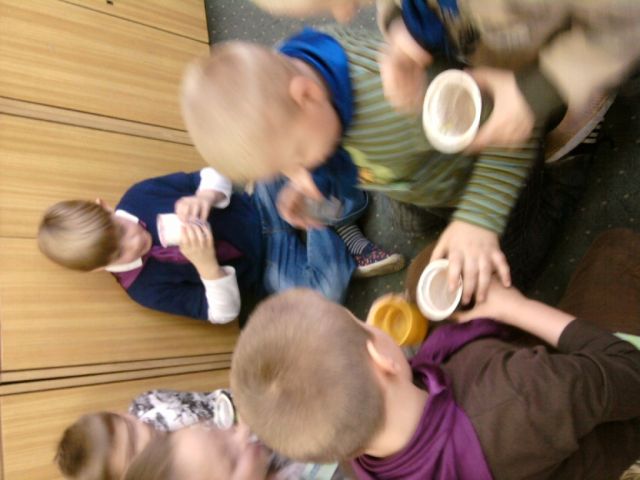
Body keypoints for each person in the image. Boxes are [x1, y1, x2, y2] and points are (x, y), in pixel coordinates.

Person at [180, 25, 568, 305]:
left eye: (296, 160)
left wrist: (478, 219)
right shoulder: (292, 84)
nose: (297, 174)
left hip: (483, 171)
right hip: (417, 180)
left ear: (307, 95)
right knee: (419, 225)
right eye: (283, 171)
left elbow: (514, 119)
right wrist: (310, 181)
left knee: (513, 251)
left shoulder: (397, 100)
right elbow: (330, 149)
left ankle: (566, 175)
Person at [230, 229, 640, 479]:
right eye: (360, 322)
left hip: (505, 410)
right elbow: (628, 370)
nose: (368, 318)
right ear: (383, 360)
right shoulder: (525, 394)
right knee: (615, 251)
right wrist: (516, 308)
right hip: (605, 410)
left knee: (429, 270)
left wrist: (388, 337)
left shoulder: (355, 453)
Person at [250, 0, 640, 155]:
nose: (346, 16)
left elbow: (625, 20)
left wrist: (544, 87)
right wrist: (404, 27)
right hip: (494, 37)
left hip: (594, 37)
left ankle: (595, 93)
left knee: (605, 71)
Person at [38, 165, 402, 322]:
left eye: (120, 228)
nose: (134, 239)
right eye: (120, 252)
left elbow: (214, 173)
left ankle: (339, 238)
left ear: (105, 206)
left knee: (298, 167)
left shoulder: (139, 196)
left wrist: (205, 196)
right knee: (324, 296)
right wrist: (207, 267)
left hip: (259, 205)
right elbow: (221, 314)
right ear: (102, 268)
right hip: (266, 264)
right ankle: (335, 229)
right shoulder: (143, 288)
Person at [55, 390, 338, 480]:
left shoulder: (149, 406)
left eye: (128, 424)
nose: (144, 428)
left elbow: (215, 408)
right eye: (135, 449)